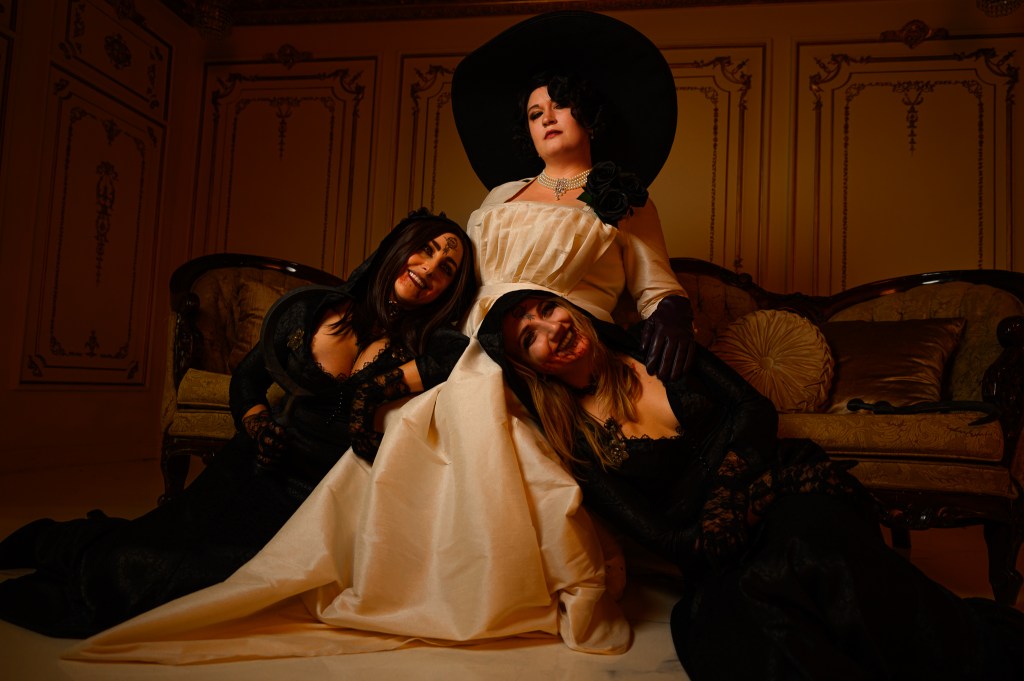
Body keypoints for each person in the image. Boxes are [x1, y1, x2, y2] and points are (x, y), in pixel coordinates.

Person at [59, 11, 686, 662]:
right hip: (469, 338)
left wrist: (671, 312)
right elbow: (460, 279)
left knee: (478, 414)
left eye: (559, 104)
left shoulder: (624, 196)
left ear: (589, 113)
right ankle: (383, 562)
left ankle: (497, 576)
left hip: (546, 342)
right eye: (534, 112)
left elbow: (655, 286)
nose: (546, 118)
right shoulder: (500, 195)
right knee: (418, 414)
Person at [479, 289, 1024, 681]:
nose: (551, 328)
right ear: (531, 368)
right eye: (529, 337)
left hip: (785, 486)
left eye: (547, 309)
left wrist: (732, 492)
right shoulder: (577, 444)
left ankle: (970, 657)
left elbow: (753, 409)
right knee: (744, 621)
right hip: (718, 547)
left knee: (813, 552)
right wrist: (723, 519)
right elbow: (664, 539)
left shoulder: (656, 346)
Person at [0, 208, 477, 638]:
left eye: (447, 268)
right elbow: (246, 382)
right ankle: (55, 541)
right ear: (399, 247)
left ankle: (77, 548)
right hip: (249, 466)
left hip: (309, 501)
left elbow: (460, 354)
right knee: (138, 555)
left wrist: (374, 389)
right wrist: (257, 426)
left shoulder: (426, 343)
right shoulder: (311, 310)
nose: (430, 268)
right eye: (426, 249)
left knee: (190, 584)